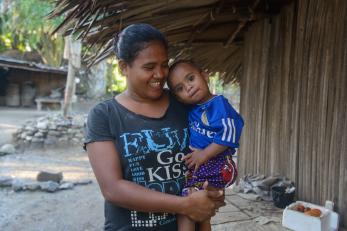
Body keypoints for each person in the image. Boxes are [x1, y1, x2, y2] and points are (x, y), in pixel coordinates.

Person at [84, 23, 225, 231]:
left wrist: (213, 191)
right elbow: (112, 189)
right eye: (149, 67)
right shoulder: (104, 115)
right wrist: (185, 205)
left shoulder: (185, 104)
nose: (160, 74)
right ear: (124, 67)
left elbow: (214, 147)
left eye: (164, 64)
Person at [167, 60, 244, 231]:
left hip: (217, 163)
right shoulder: (193, 108)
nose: (188, 87)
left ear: (204, 76)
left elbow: (230, 133)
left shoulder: (218, 104)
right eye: (180, 88)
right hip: (204, 165)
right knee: (200, 214)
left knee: (187, 207)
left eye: (191, 78)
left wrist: (204, 154)